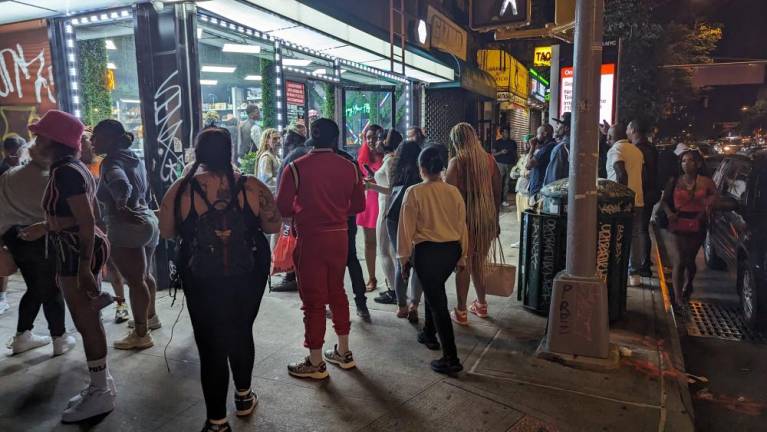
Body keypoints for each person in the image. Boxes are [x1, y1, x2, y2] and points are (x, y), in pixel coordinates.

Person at [159, 127, 279, 431]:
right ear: (229, 151)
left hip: (201, 276)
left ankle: (216, 422)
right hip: (247, 272)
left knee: (210, 341)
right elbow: (272, 224)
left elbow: (167, 231)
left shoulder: (181, 189)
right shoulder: (251, 186)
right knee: (240, 330)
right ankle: (243, 396)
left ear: (198, 152)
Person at [19, 110, 114, 423]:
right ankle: (101, 385)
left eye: (40, 135)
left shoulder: (65, 172)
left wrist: (85, 266)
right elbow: (75, 217)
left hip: (76, 253)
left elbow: (86, 221)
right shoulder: (69, 167)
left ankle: (101, 391)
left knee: (86, 322)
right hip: (74, 250)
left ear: (53, 140)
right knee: (87, 319)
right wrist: (44, 227)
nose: (34, 141)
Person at [276, 118, 366, 380]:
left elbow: (282, 207)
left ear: (311, 139)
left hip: (310, 238)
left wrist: (305, 211)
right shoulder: (350, 167)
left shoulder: (295, 167)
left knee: (313, 301)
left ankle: (316, 362)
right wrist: (336, 211)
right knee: (337, 291)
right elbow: (358, 205)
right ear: (335, 139)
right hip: (340, 237)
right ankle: (344, 352)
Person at [1, 142, 76, 356]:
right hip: (42, 237)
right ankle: (59, 337)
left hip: (14, 237)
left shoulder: (10, 175)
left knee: (35, 286)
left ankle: (23, 336)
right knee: (51, 287)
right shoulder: (52, 179)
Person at [91, 119, 161, 350]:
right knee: (144, 275)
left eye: (96, 136)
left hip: (127, 225)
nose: (91, 141)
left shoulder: (111, 162)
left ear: (110, 139)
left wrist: (122, 205)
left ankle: (141, 334)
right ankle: (150, 318)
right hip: (147, 220)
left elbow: (121, 184)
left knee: (135, 281)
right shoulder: (132, 157)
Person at [398, 145, 468, 374]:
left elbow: (405, 229)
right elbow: (462, 226)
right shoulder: (453, 192)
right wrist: (463, 256)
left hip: (427, 253)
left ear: (422, 168)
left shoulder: (415, 192)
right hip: (450, 252)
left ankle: (451, 357)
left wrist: (403, 258)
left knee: (438, 302)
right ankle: (429, 333)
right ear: (441, 168)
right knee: (434, 289)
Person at [446, 123, 501, 325]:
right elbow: (497, 193)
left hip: (465, 221)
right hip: (486, 218)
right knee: (479, 263)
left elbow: (449, 196)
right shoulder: (489, 161)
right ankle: (482, 304)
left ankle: (461, 311)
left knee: (464, 264)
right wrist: (495, 221)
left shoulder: (457, 162)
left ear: (457, 141)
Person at [81, 131, 130, 323]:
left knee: (113, 267)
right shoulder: (77, 167)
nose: (88, 144)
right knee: (93, 268)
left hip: (105, 221)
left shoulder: (103, 164)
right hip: (88, 223)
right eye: (85, 141)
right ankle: (97, 303)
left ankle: (121, 305)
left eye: (87, 141)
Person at [373, 139, 424, 321]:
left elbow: (390, 192)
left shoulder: (397, 169)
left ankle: (401, 306)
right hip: (418, 217)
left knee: (401, 259)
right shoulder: (420, 172)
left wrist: (370, 185)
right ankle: (414, 305)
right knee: (418, 263)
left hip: (395, 216)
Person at [659, 150, 716, 307]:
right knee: (679, 260)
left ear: (698, 163)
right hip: (677, 222)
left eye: (690, 160)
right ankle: (677, 298)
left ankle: (688, 284)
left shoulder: (706, 182)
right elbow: (664, 201)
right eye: (683, 161)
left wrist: (708, 206)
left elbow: (714, 196)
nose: (686, 164)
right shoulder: (674, 181)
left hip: (697, 223)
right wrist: (670, 213)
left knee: (690, 260)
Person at [363, 129, 401, 313]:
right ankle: (395, 289)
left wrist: (370, 186)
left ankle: (394, 291)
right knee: (389, 251)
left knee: (385, 251)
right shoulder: (391, 159)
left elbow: (392, 190)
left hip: (386, 208)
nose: (376, 141)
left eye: (380, 138)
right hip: (384, 207)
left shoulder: (392, 160)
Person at [606, 123, 646, 287]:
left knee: (616, 236)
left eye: (608, 135)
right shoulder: (637, 151)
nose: (607, 138)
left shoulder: (616, 150)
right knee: (635, 236)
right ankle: (634, 274)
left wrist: (621, 198)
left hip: (620, 201)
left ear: (612, 136)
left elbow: (621, 174)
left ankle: (616, 270)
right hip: (638, 200)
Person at [628, 118, 659, 277]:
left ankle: (643, 265)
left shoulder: (638, 150)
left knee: (640, 230)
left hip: (643, 193)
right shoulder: (651, 148)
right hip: (650, 193)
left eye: (628, 129)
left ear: (633, 130)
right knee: (642, 229)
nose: (627, 132)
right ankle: (644, 263)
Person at [356, 124, 384, 291]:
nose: (371, 140)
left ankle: (392, 282)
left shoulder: (388, 155)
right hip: (369, 202)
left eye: (374, 137)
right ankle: (372, 277)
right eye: (368, 137)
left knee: (387, 246)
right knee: (369, 243)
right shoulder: (362, 157)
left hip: (384, 200)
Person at [0, 135, 25, 315]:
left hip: (18, 220)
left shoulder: (23, 168)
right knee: (3, 257)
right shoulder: (4, 171)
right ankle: (2, 297)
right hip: (7, 221)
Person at [510, 134, 534, 247]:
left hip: (527, 193)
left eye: (527, 143)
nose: (525, 145)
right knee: (520, 218)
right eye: (524, 143)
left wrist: (520, 173)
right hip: (519, 191)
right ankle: (522, 240)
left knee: (527, 219)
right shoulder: (522, 157)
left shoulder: (533, 157)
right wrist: (520, 173)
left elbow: (528, 173)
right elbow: (513, 172)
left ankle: (527, 241)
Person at [525, 124, 557, 201]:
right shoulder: (551, 146)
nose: (536, 137)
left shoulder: (547, 148)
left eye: (538, 133)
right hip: (543, 187)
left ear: (545, 134)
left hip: (539, 189)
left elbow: (528, 165)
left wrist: (532, 147)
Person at [543, 112, 572, 186]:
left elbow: (551, 182)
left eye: (559, 124)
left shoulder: (560, 148)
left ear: (566, 128)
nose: (556, 126)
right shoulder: (579, 146)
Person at [491, 127, 518, 206]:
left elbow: (515, 153)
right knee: (499, 182)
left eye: (508, 132)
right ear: (502, 133)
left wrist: (516, 162)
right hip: (500, 164)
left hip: (510, 164)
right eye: (505, 132)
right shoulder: (497, 142)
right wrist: (501, 152)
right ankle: (497, 199)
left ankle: (504, 200)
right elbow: (493, 154)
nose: (507, 134)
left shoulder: (513, 142)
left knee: (507, 183)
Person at [254, 128, 282, 194]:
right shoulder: (266, 157)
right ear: (266, 141)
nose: (278, 141)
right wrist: (283, 180)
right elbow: (267, 181)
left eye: (279, 138)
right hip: (268, 197)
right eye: (274, 139)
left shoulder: (275, 156)